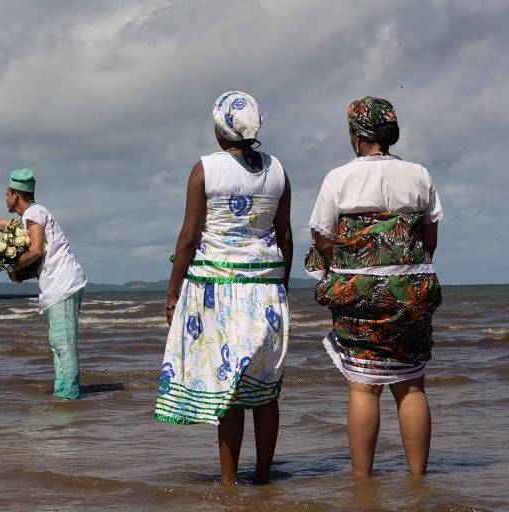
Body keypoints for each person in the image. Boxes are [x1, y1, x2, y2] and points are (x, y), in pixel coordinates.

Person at [155, 91, 292, 485]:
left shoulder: (206, 169)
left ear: (221, 131)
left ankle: (230, 483)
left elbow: (187, 236)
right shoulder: (278, 170)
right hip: (265, 289)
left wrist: (172, 292)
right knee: (265, 390)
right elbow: (284, 238)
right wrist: (278, 290)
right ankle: (263, 478)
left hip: (217, 289)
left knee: (230, 389)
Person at [305, 96, 443, 477]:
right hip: (411, 291)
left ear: (356, 135)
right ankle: (418, 479)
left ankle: (363, 483)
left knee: (363, 387)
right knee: (412, 385)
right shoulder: (419, 175)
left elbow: (323, 239)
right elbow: (429, 240)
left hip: (360, 293)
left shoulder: (338, 178)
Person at [0, 168, 87, 399]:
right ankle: (63, 395)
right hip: (60, 285)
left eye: (6, 194)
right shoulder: (30, 216)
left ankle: (70, 396)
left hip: (63, 283)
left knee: (64, 345)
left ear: (15, 195)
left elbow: (34, 250)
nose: (5, 199)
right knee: (58, 343)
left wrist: (14, 268)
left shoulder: (35, 213)